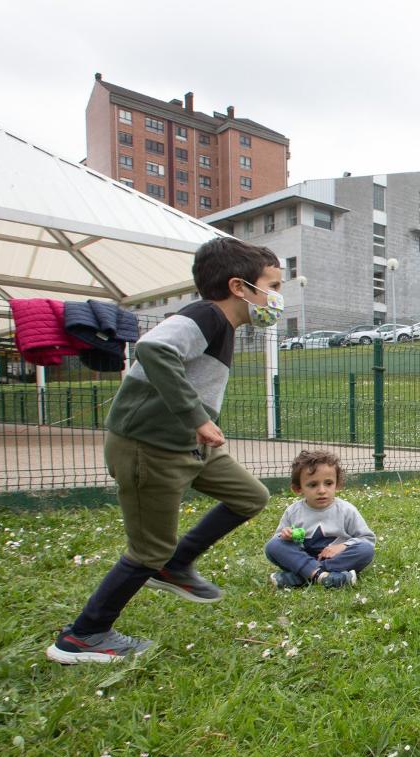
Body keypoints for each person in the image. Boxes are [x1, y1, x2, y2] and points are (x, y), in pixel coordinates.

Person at [46, 237, 282, 664]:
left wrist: (197, 425)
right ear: (239, 287)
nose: (277, 298)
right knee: (147, 550)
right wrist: (197, 417)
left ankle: (175, 565)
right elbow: (154, 349)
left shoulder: (222, 326)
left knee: (250, 496)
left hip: (186, 445)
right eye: (273, 286)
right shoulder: (205, 316)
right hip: (148, 446)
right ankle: (84, 635)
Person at [266, 450, 375, 588]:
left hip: (335, 559)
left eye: (328, 483)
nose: (322, 490)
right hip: (301, 558)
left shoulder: (347, 510)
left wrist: (342, 546)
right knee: (273, 546)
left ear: (337, 484)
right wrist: (286, 536)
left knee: (365, 550)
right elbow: (278, 541)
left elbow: (367, 539)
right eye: (313, 485)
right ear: (298, 488)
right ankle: (327, 578)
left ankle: (303, 576)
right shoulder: (293, 512)